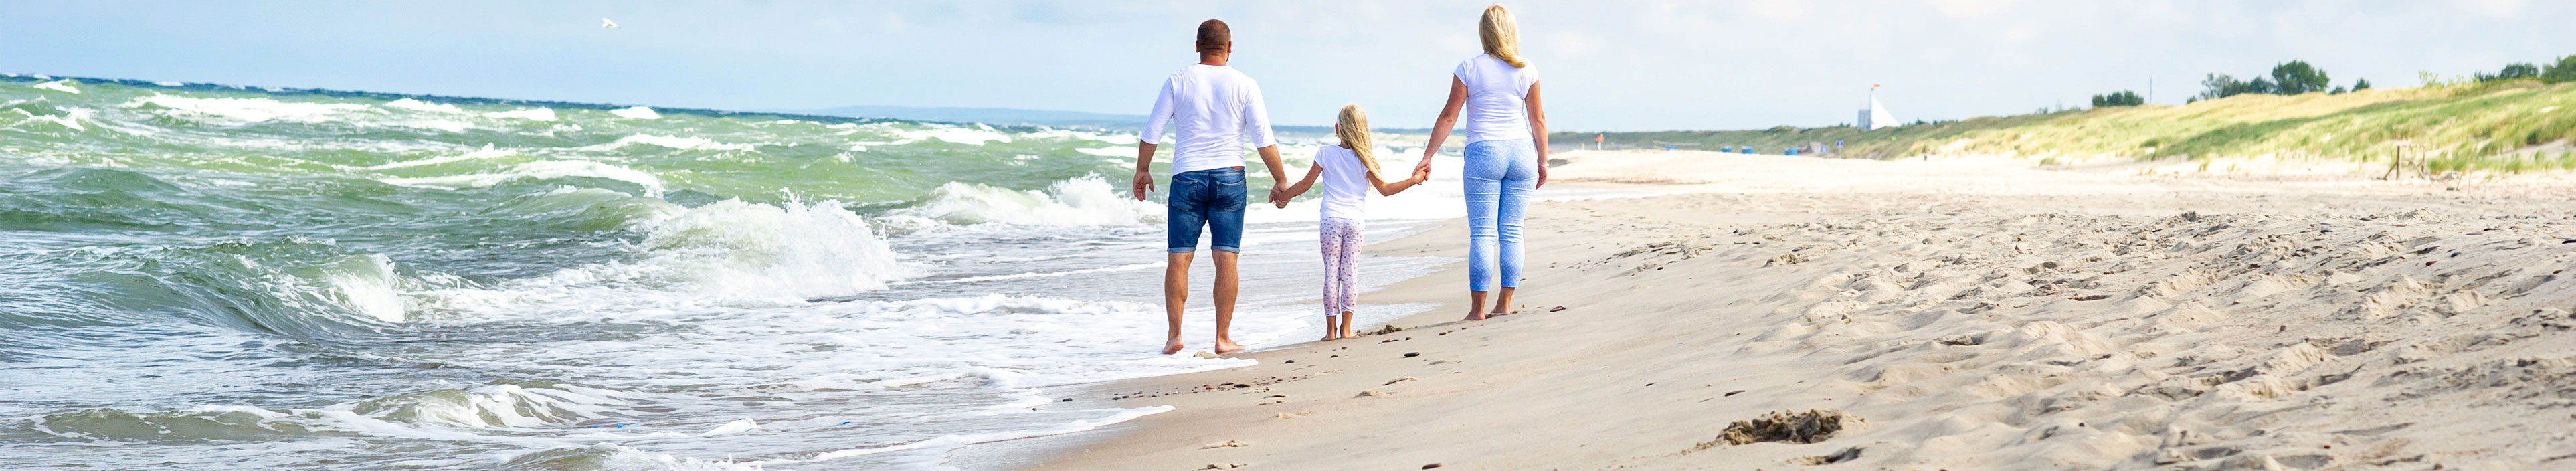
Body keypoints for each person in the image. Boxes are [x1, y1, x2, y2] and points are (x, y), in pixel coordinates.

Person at [1133, 19, 1289, 355]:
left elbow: (1152, 131)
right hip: (1230, 176)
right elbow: (1264, 139)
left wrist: (1142, 170)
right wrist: (1280, 180)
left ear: (1197, 46)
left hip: (1187, 176)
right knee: (1226, 259)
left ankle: (1175, 335)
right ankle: (1223, 338)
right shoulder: (1245, 84)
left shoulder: (1178, 81)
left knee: (1179, 259)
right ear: (1230, 48)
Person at [1416, 4, 1546, 322]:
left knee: (1483, 233)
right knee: (1513, 231)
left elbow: (1449, 116)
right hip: (1521, 153)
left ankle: (1477, 311)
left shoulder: (1468, 68)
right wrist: (1542, 160)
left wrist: (1428, 155)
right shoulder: (1527, 68)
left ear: (1484, 32)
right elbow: (1538, 120)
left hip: (1484, 153)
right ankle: (1504, 305)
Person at [1268, 104, 1433, 341]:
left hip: (1330, 221)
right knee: (1350, 273)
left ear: (1337, 129)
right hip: (1355, 223)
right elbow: (1385, 190)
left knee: (1331, 274)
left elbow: (1305, 185)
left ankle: (1329, 332)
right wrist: (1414, 179)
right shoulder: (1365, 159)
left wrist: (1283, 197)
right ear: (1363, 131)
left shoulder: (1325, 153)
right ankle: (1346, 330)